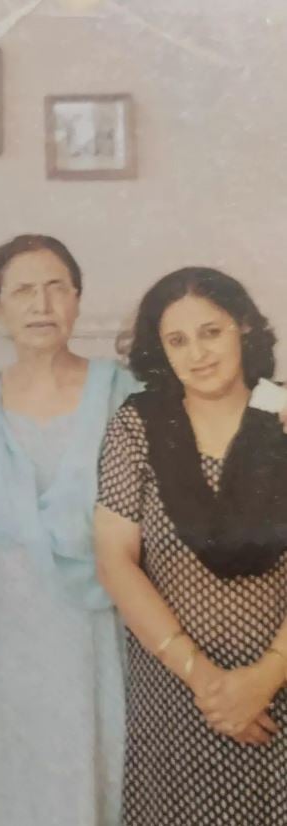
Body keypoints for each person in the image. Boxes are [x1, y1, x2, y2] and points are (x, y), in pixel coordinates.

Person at [0, 235, 136, 825]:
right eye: (22, 290)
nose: (41, 303)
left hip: (94, 633)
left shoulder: (122, 393)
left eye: (57, 287)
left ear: (78, 299)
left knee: (90, 782)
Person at [95, 267, 287, 824]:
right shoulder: (138, 425)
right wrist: (211, 686)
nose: (197, 353)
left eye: (211, 332)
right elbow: (115, 561)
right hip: (179, 694)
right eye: (177, 340)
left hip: (279, 689)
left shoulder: (282, 417)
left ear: (244, 328)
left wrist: (264, 678)